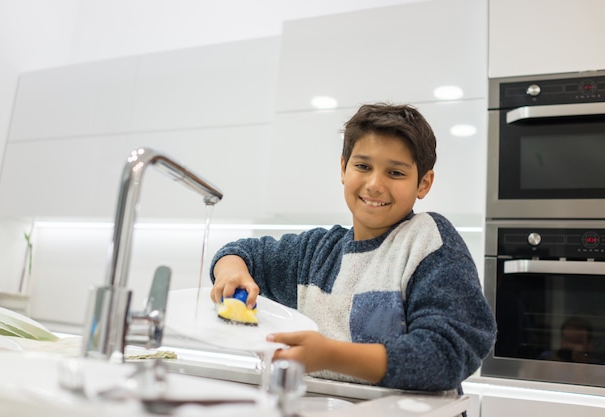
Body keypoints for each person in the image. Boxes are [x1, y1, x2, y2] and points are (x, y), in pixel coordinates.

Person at [209, 103, 497, 392]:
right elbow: (240, 253)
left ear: (423, 183)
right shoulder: (315, 252)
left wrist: (330, 355)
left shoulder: (427, 240)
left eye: (395, 173)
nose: (374, 184)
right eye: (363, 166)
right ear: (343, 168)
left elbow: (445, 354)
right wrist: (231, 272)